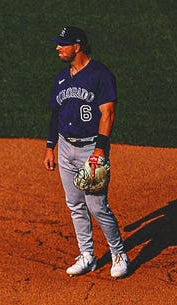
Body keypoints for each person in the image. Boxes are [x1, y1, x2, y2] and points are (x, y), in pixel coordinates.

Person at [43, 25, 129, 279]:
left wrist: (99, 150)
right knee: (75, 204)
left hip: (91, 147)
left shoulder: (100, 75)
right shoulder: (61, 77)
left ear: (77, 46)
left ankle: (119, 253)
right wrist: (50, 148)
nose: (57, 47)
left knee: (97, 205)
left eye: (63, 43)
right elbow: (55, 114)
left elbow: (108, 113)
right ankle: (87, 255)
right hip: (65, 147)